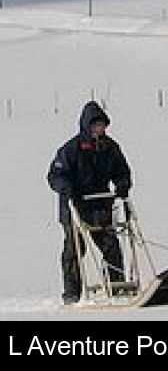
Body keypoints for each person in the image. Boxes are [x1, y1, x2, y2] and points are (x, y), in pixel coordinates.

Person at [47, 101, 132, 304]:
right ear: (86, 125)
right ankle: (72, 293)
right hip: (75, 207)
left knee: (111, 245)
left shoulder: (110, 147)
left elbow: (122, 171)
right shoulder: (71, 149)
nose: (98, 129)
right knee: (75, 250)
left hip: (101, 205)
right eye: (95, 125)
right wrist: (66, 188)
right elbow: (55, 175)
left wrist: (122, 185)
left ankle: (117, 286)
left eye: (101, 125)